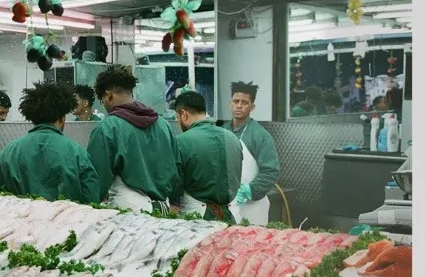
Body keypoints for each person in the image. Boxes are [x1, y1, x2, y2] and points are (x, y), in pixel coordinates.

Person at [86, 65, 180, 212]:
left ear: (108, 95)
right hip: (164, 210)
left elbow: (96, 180)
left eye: (102, 100)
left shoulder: (108, 128)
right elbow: (177, 168)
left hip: (128, 213)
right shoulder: (164, 125)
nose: (104, 105)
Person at [0, 82, 99, 203]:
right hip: (66, 221)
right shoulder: (77, 153)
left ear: (32, 118)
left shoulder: (8, 152)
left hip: (23, 220)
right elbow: (92, 199)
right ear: (62, 118)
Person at [172, 91, 242, 222]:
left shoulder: (180, 141)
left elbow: (175, 185)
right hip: (231, 216)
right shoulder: (232, 138)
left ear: (183, 114)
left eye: (177, 118)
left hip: (197, 218)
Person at [225, 81, 281, 226]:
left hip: (252, 208)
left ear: (252, 107)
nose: (239, 105)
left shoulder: (260, 135)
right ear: (229, 103)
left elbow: (271, 172)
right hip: (225, 204)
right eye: (236, 101)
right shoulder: (222, 132)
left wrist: (247, 191)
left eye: (244, 102)